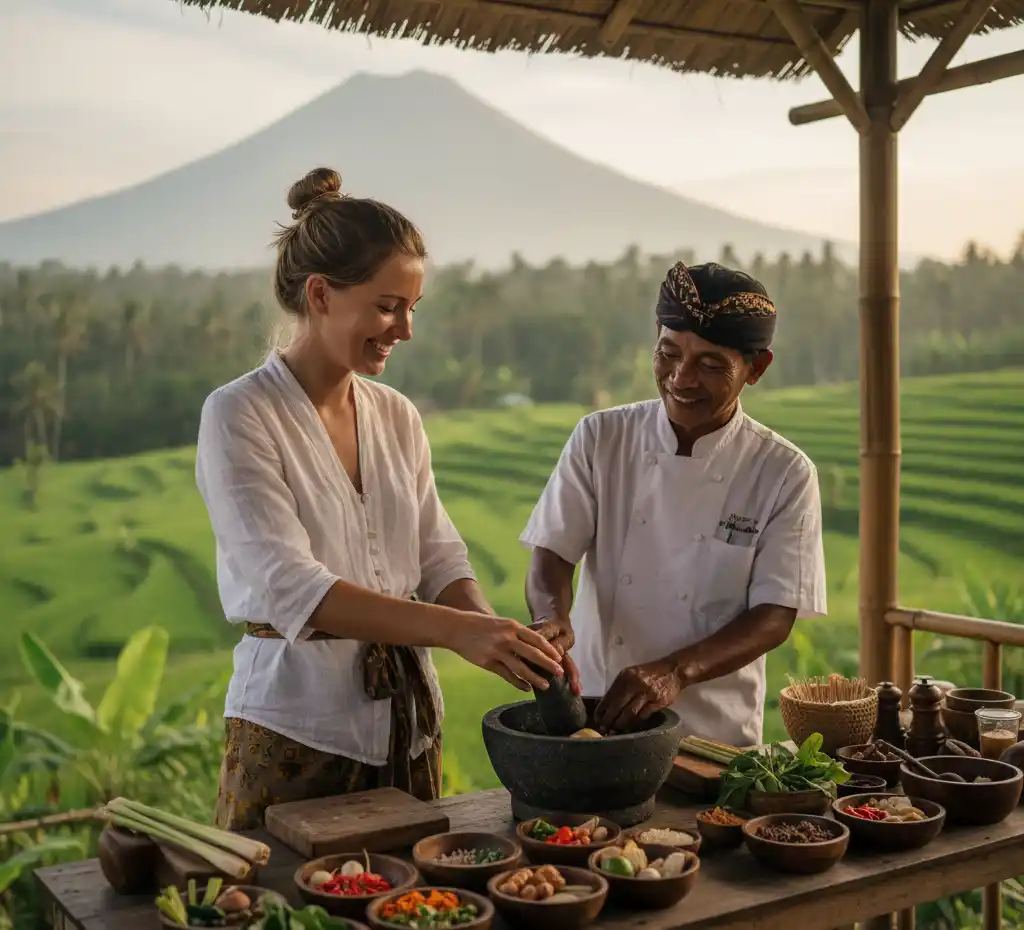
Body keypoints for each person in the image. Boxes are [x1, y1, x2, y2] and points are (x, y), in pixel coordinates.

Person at [195, 167, 563, 830]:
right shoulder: (240, 414)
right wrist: (457, 631)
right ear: (321, 294)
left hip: (408, 729)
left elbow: (439, 556)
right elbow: (293, 587)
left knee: (412, 888)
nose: (405, 329)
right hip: (296, 731)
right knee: (291, 890)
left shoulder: (396, 415)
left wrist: (498, 636)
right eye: (389, 306)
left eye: (413, 308)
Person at [521, 260, 826, 748]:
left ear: (756, 368)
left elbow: (774, 615)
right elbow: (553, 551)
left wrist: (675, 671)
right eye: (668, 354)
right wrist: (550, 618)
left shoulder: (782, 471)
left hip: (712, 733)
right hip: (596, 718)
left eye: (710, 365)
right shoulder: (602, 437)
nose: (681, 378)